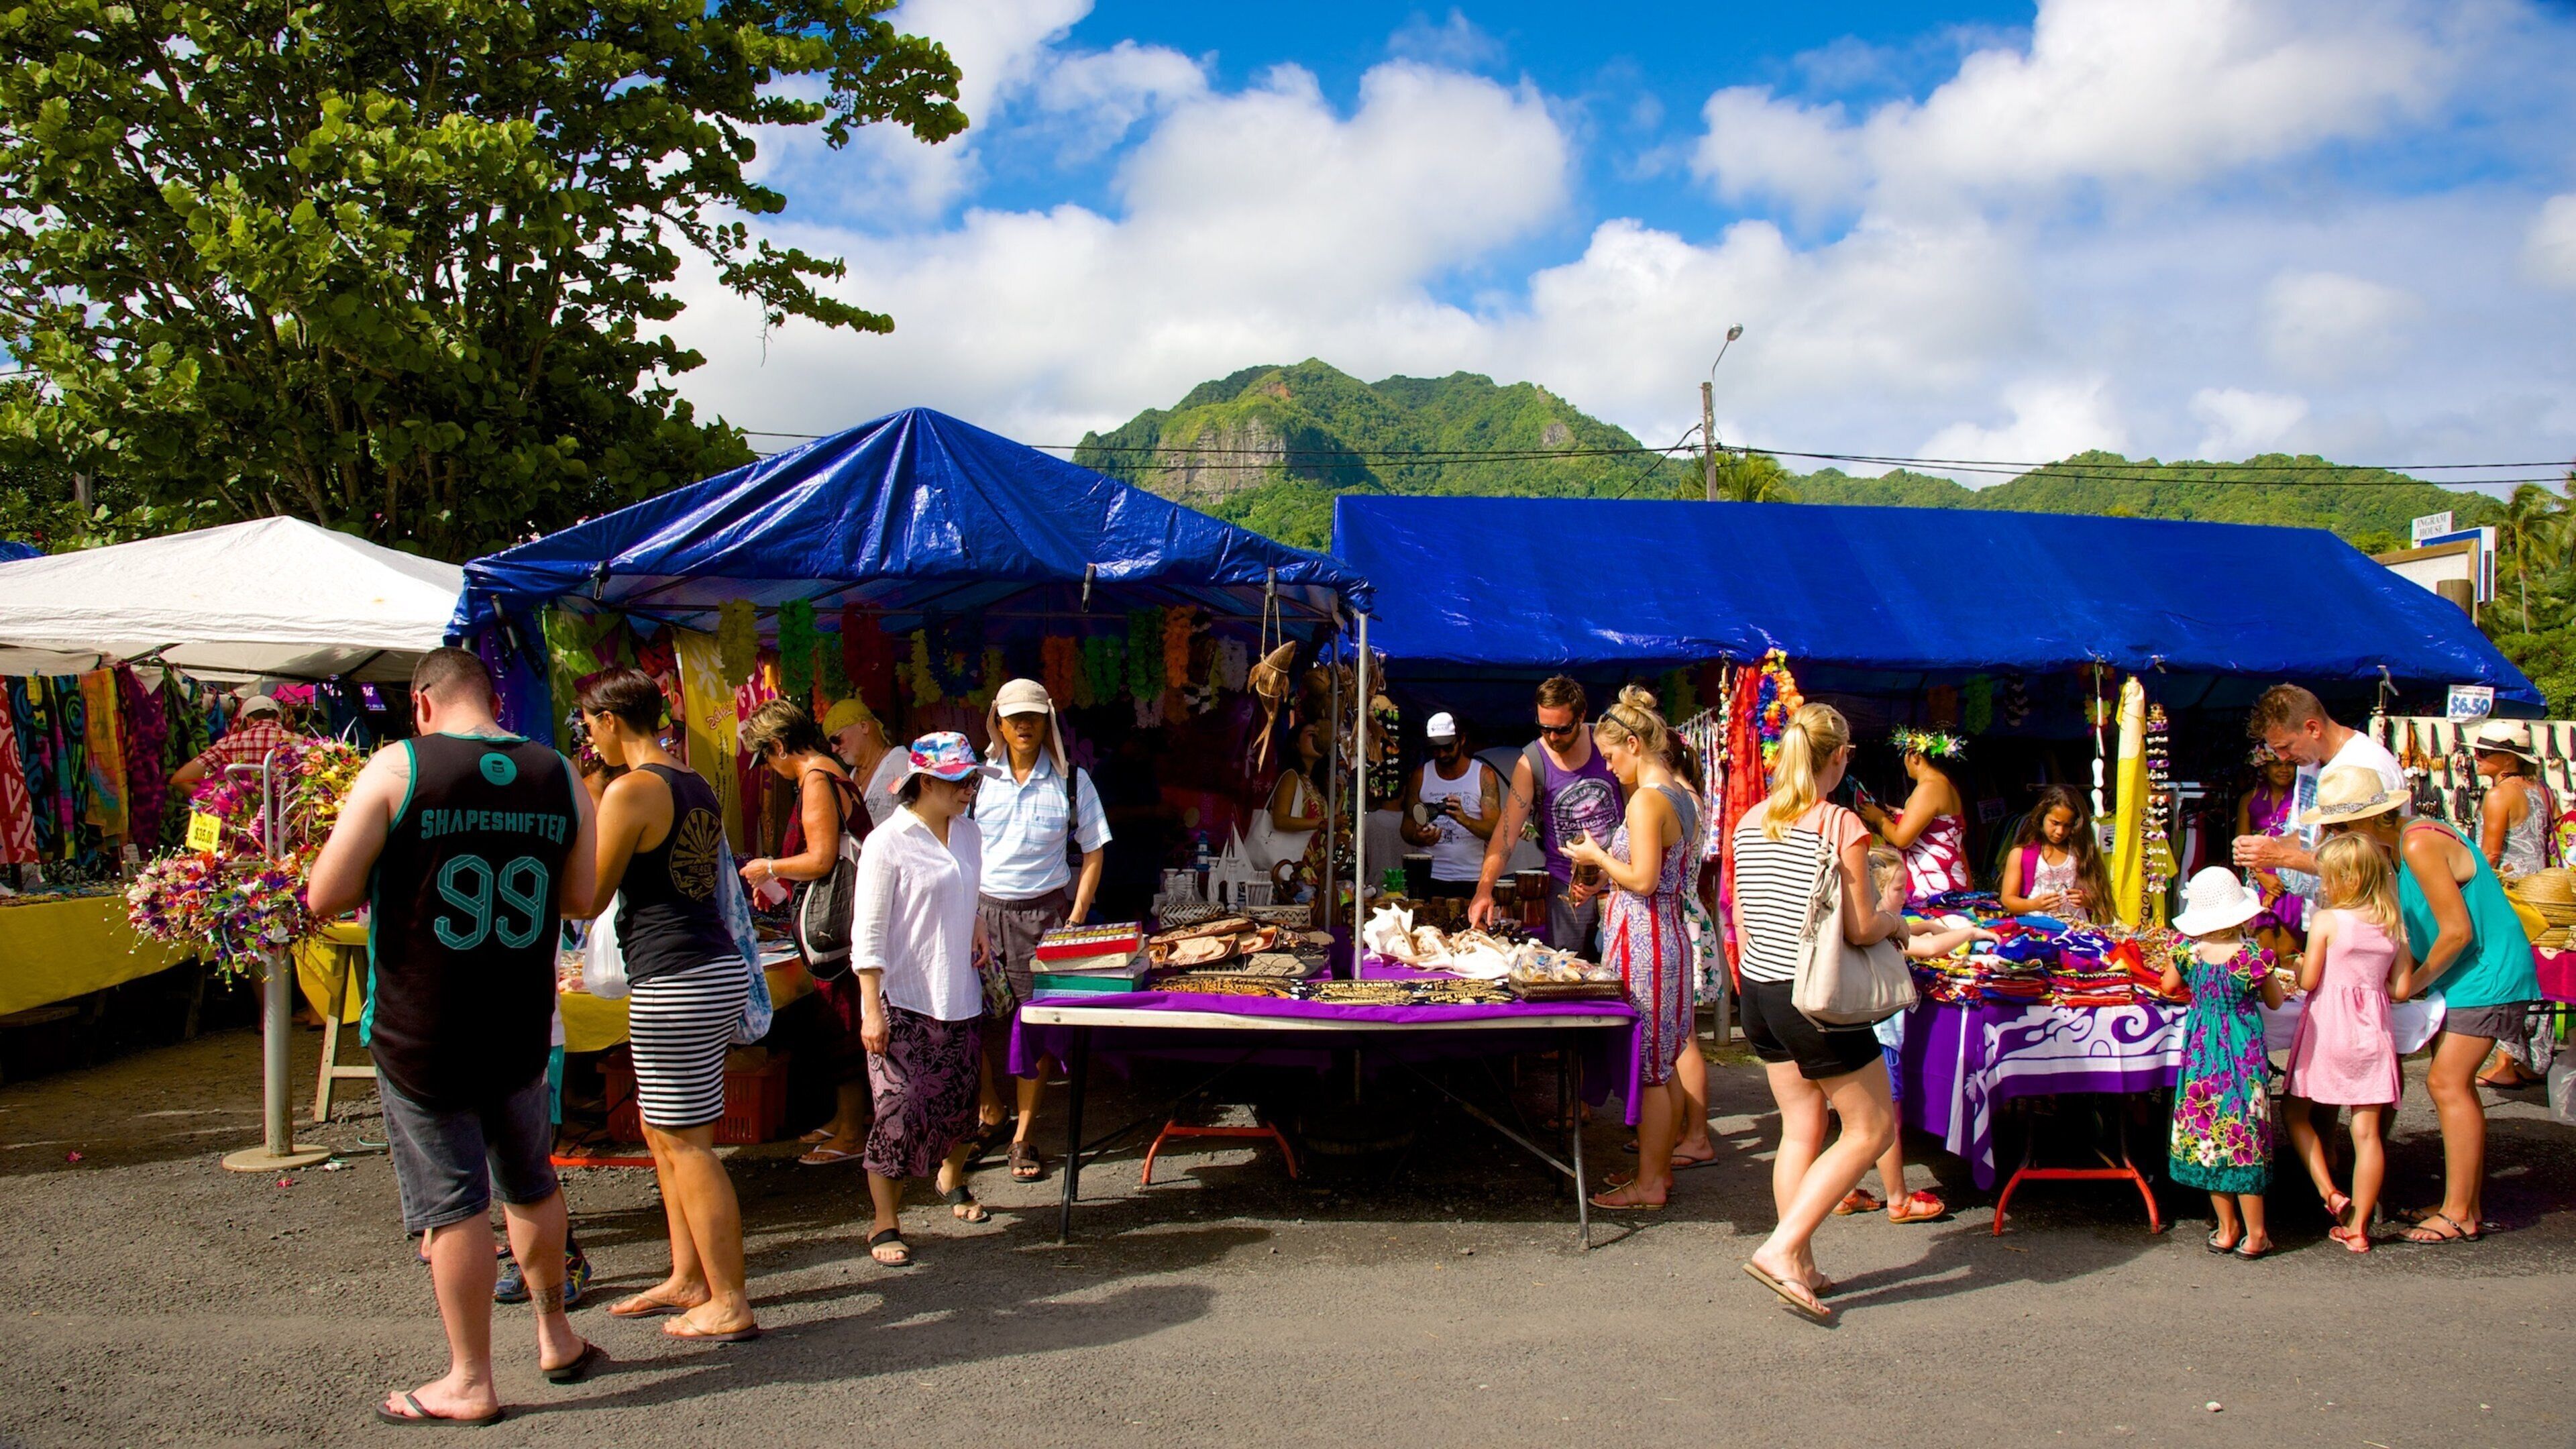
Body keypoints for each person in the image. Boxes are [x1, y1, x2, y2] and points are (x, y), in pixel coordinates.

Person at [305, 648, 599, 1425]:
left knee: (454, 1204)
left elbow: (324, 894)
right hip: (519, 1020)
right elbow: (580, 898)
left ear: (422, 703)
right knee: (530, 1180)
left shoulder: (398, 768)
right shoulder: (558, 772)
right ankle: (556, 1335)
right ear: (492, 699)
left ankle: (470, 1379)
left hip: (422, 1025)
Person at [575, 667, 759, 1342]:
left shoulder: (631, 791)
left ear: (607, 721)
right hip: (705, 967)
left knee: (687, 1143)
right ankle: (689, 1277)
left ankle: (729, 1299)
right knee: (663, 1132)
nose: (587, 737)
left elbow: (588, 897)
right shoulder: (693, 783)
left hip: (675, 976)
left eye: (586, 725)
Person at [2310, 763, 2539, 1245]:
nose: (2335, 836)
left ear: (2368, 821)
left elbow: (2457, 931)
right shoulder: (2398, 849)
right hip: (2465, 976)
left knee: (2447, 1083)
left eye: (2339, 827)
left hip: (2485, 974)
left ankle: (2460, 1214)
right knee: (2450, 1086)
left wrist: (2412, 983)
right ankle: (2464, 1203)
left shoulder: (2417, 842)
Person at [1728, 702, 1904, 1323]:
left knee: (1801, 1129)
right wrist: (1900, 921)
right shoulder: (1841, 825)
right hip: (1815, 998)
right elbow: (1859, 929)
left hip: (1761, 992)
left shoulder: (1749, 822)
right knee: (1871, 1130)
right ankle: (1781, 1249)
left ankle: (1798, 1261)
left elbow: (1744, 917)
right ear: (1841, 756)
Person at [854, 732, 996, 1267]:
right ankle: (885, 1221)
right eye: (962, 781)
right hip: (904, 997)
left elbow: (967, 888)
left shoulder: (970, 835)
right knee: (900, 1112)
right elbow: (867, 933)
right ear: (928, 782)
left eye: (973, 780)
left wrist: (977, 919)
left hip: (959, 991)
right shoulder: (887, 842)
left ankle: (950, 1178)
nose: (970, 790)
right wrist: (871, 1006)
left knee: (963, 1109)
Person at [1560, 688, 1698, 1210]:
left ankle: (1648, 1185)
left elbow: (1642, 879)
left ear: (1635, 744)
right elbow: (1654, 878)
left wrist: (1597, 854)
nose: (1609, 767)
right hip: (1664, 936)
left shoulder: (1646, 799)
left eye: (1613, 755)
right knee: (1662, 1063)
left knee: (1653, 1072)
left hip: (1647, 944)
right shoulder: (1682, 795)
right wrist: (1603, 886)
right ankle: (1655, 1173)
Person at [973, 678, 1110, 1183]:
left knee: (1033, 1028)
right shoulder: (978, 780)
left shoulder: (1071, 780)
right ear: (999, 723)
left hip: (1046, 919)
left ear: (1047, 720)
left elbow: (1094, 850)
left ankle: (1022, 1135)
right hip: (982, 917)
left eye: (1033, 716)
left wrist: (1075, 918)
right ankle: (990, 1109)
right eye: (1014, 717)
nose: (1024, 725)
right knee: (971, 1022)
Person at [737, 699, 875, 1167]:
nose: (769, 769)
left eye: (766, 758)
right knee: (836, 1018)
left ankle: (854, 1130)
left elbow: (819, 859)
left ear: (777, 746)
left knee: (841, 1022)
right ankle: (844, 1118)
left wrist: (767, 866)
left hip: (837, 930)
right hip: (843, 927)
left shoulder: (816, 779)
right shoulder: (828, 772)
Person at [2282, 835, 2413, 1253]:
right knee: (2367, 1132)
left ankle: (2329, 1191)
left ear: (2340, 878)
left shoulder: (2327, 920)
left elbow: (2308, 982)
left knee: (2294, 1110)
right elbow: (2402, 988)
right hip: (2373, 1030)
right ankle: (2359, 1229)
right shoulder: (2394, 922)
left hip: (2329, 1029)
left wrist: (2300, 962)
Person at [1836, 847, 1981, 1225]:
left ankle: (1846, 1190)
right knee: (1888, 1122)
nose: (1907, 896)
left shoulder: (1862, 925)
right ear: (1878, 892)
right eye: (1900, 889)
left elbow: (1909, 931)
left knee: (1856, 1121)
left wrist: (1926, 924)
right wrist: (1972, 931)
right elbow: (1927, 949)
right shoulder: (1880, 931)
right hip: (1882, 1042)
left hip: (1853, 1033)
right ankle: (1898, 1198)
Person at [2160, 867, 2288, 1260]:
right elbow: (2277, 1001)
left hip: (2202, 1052)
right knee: (2244, 1134)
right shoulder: (2253, 956)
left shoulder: (2186, 951)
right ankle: (2256, 1234)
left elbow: (2167, 987)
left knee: (2209, 1134)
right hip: (2242, 1050)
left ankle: (2227, 1228)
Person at [1468, 676, 1625, 953]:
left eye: (1562, 729)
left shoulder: (1607, 745)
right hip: (1568, 888)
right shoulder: (1531, 763)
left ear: (1581, 716)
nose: (1553, 737)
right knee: (1567, 977)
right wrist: (1484, 889)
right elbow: (1506, 833)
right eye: (1544, 728)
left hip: (1621, 879)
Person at [2231, 684, 2404, 898]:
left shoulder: (2365, 767)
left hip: (2366, 917)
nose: (2283, 758)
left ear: (2313, 728)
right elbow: (2305, 835)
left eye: (2285, 747)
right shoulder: (2308, 762)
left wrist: (2282, 857)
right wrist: (2269, 845)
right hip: (2328, 915)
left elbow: (2366, 862)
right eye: (2276, 750)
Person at [2467, 720, 2557, 1086]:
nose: (2477, 757)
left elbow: (2489, 853)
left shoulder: (2499, 795)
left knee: (2507, 973)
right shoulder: (2541, 790)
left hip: (2510, 893)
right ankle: (2531, 1059)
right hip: (2543, 892)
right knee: (2538, 977)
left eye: (2485, 752)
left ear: (2508, 758)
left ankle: (2505, 1061)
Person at [1858, 729, 1971, 904]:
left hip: (1934, 885)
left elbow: (1902, 839)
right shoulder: (1944, 785)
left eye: (1905, 756)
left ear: (1914, 755)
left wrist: (1878, 818)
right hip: (1945, 879)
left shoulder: (1931, 786)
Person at [1401, 712, 1499, 899]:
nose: (1441, 754)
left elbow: (1495, 831)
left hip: (1473, 878)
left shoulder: (1483, 776)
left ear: (1462, 740)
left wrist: (1465, 820)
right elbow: (1405, 829)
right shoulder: (1421, 776)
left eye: (1447, 747)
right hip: (1429, 877)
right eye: (1435, 749)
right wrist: (1420, 837)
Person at [1997, 785, 2112, 922]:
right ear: (2041, 817)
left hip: (2077, 932)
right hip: (2038, 931)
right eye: (2055, 823)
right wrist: (2034, 904)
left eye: (2067, 825)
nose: (2060, 831)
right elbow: (2007, 900)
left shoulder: (2081, 854)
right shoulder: (2020, 854)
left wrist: (2086, 900)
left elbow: (2102, 897)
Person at [2238, 745, 2305, 957]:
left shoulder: (2301, 800)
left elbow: (2309, 841)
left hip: (2292, 878)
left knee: (2287, 953)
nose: (2284, 770)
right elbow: (2241, 843)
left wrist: (2281, 884)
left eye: (2290, 765)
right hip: (2259, 879)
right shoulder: (2250, 799)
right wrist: (2262, 877)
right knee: (2264, 953)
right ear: (2265, 767)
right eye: (2277, 764)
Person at [1246, 720, 1326, 888]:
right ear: (1296, 743)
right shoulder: (1291, 777)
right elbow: (1280, 820)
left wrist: (1340, 798)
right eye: (1311, 735)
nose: (1317, 740)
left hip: (1311, 864)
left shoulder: (1315, 784)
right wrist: (1322, 824)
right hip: (1291, 865)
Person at [170, 691, 298, 789]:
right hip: (289, 819)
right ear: (277, 718)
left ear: (248, 721)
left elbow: (179, 779)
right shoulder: (303, 743)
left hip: (239, 820)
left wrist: (214, 801)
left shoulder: (226, 744)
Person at [825, 696, 907, 828]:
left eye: (837, 739)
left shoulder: (901, 764)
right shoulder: (849, 778)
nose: (834, 749)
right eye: (831, 743)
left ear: (863, 727)